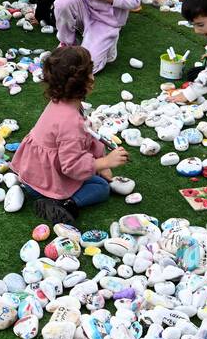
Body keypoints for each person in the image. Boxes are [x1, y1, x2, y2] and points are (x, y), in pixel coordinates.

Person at [11, 44, 129, 225]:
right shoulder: (71, 122)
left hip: (31, 174)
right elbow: (71, 166)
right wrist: (105, 162)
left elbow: (88, 136)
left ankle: (51, 195)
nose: (93, 77)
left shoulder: (60, 102)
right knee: (101, 187)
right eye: (90, 73)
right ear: (80, 83)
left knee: (94, 175)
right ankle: (65, 205)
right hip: (45, 182)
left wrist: (100, 163)